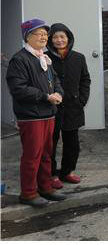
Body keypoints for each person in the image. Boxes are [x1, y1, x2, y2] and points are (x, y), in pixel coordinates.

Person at [6, 19, 66, 207]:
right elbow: (19, 88)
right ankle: (28, 193)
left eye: (44, 33)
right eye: (38, 33)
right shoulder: (20, 59)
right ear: (27, 37)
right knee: (32, 156)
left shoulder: (43, 57)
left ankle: (45, 187)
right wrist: (46, 96)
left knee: (47, 154)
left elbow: (55, 80)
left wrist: (58, 93)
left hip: (48, 113)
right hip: (31, 116)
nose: (43, 37)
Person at [46, 23, 91, 188]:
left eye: (62, 37)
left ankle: (68, 171)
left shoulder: (78, 58)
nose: (59, 40)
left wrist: (82, 100)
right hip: (51, 108)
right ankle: (51, 174)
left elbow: (85, 80)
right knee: (50, 142)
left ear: (69, 38)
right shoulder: (44, 58)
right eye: (55, 37)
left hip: (73, 106)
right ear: (50, 40)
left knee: (72, 143)